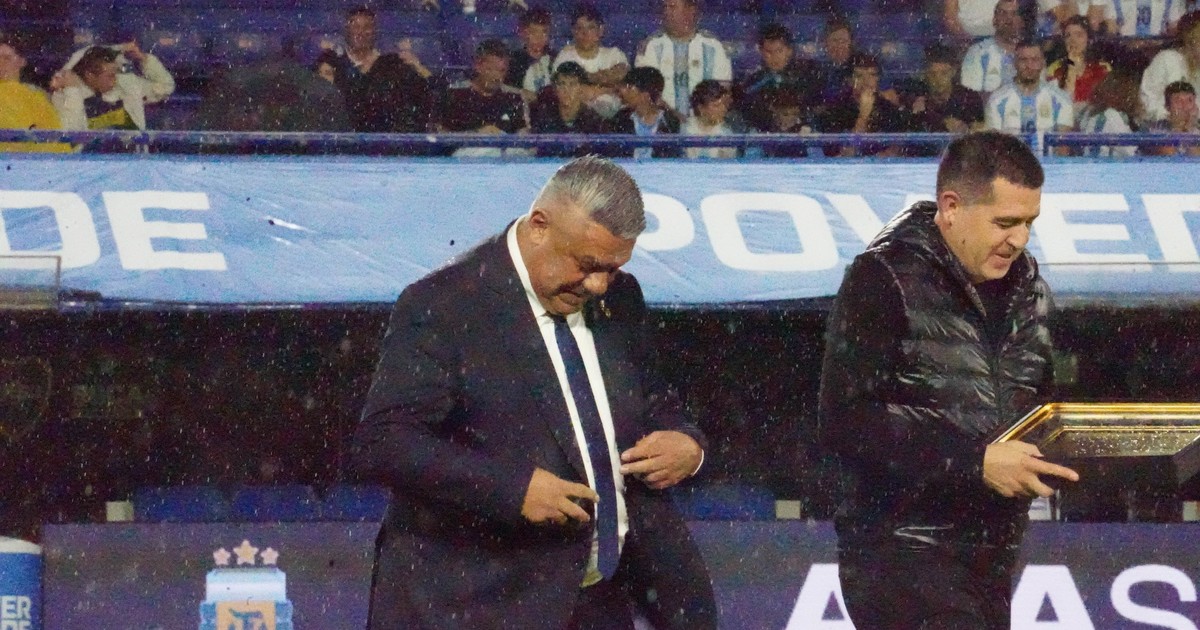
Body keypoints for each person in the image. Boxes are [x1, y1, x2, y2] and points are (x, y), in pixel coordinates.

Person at [351, 155, 718, 630]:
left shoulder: (620, 297)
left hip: (600, 600)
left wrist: (688, 444)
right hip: (480, 603)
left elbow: (654, 402)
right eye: (587, 265)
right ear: (540, 226)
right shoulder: (445, 304)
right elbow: (385, 442)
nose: (599, 285)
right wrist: (512, 488)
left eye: (612, 268)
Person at [819, 130, 1081, 630]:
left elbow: (1038, 408)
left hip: (993, 554)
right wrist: (973, 462)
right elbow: (845, 422)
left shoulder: (1030, 290)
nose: (1020, 239)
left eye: (1029, 223)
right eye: (1005, 222)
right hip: (899, 551)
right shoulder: (883, 277)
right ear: (952, 206)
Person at [330, 6, 432, 133]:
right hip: (344, 138)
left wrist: (418, 66)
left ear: (374, 32)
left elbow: (427, 92)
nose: (361, 32)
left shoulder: (393, 64)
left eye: (367, 27)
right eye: (355, 26)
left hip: (387, 138)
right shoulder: (332, 64)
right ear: (347, 31)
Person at [634, 0, 732, 119]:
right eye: (665, 7)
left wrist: (698, 123)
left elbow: (723, 94)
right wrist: (677, 119)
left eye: (672, 7)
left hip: (704, 124)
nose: (667, 12)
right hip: (663, 124)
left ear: (691, 10)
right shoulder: (651, 46)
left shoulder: (714, 47)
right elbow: (645, 94)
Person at [51, 43, 175, 131]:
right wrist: (72, 91)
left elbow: (166, 86)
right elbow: (70, 136)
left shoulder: (126, 84)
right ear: (90, 75)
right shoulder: (67, 96)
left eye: (115, 73)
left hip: (135, 159)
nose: (115, 80)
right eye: (110, 76)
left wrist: (144, 59)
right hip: (90, 160)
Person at [439, 39, 530, 157]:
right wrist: (476, 135)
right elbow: (441, 136)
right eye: (490, 69)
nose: (496, 76)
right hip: (466, 158)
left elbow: (523, 135)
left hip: (506, 157)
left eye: (502, 71)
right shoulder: (455, 94)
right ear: (478, 66)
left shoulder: (514, 97)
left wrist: (505, 138)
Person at [816, 53, 915, 157]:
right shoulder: (836, 110)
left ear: (878, 79)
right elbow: (843, 156)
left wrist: (877, 159)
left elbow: (897, 151)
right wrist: (863, 116)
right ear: (849, 81)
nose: (866, 81)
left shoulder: (889, 110)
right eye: (859, 76)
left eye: (872, 75)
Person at [734, 23, 819, 134]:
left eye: (779, 51)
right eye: (769, 52)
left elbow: (814, 109)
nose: (774, 57)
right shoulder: (753, 83)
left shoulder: (808, 77)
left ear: (789, 51)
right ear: (761, 52)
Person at [552, 4, 629, 117]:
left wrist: (587, 80)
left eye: (590, 28)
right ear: (573, 31)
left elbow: (623, 82)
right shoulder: (565, 57)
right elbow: (563, 92)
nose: (585, 33)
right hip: (579, 118)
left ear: (601, 30)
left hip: (614, 119)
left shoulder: (614, 54)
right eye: (579, 28)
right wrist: (608, 87)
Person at [984, 40, 1074, 136]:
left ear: (1043, 62)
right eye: (1023, 60)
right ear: (1015, 63)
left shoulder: (1061, 99)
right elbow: (994, 142)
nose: (1029, 65)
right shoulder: (997, 100)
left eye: (1035, 60)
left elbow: (1062, 143)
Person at [0, 35, 69, 153]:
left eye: (6, 58)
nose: (1, 63)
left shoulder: (35, 96)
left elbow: (54, 138)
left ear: (22, 61)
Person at [529, 62, 610, 157]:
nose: (566, 90)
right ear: (555, 89)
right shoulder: (544, 116)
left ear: (581, 88)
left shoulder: (594, 121)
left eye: (572, 84)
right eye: (562, 84)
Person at [1139, 10, 1200, 123]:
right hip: (1163, 128)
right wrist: (1173, 115)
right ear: (1190, 41)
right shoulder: (1167, 60)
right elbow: (1146, 103)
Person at [611, 66, 682, 158]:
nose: (622, 91)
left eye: (629, 87)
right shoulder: (620, 119)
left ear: (645, 94)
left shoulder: (670, 122)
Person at [961, 0, 1026, 100]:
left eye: (1014, 13)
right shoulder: (977, 52)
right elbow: (971, 96)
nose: (1008, 19)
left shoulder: (1031, 53)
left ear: (1021, 21)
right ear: (994, 20)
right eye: (1003, 13)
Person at [1046, 16, 1111, 114]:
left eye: (1079, 35)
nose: (1072, 40)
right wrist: (1071, 66)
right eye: (1068, 36)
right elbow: (1059, 105)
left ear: (1089, 39)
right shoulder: (1054, 69)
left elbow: (1108, 103)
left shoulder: (1103, 68)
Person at [1076, 69, 1141, 156]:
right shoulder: (1111, 116)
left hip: (1093, 162)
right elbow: (1131, 151)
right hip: (1105, 163)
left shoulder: (1091, 112)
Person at [681, 80, 737, 159]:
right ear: (701, 108)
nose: (723, 109)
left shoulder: (726, 134)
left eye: (723, 104)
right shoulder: (686, 130)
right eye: (716, 105)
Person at [509, 7, 555, 100]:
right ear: (523, 33)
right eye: (534, 32)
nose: (539, 38)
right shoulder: (514, 61)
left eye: (544, 32)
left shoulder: (555, 58)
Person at [1147, 80, 1200, 155]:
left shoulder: (1197, 129)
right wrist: (1179, 127)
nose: (1185, 106)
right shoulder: (1158, 128)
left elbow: (1197, 158)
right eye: (1178, 101)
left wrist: (1189, 128)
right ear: (1167, 107)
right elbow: (1169, 156)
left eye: (1189, 100)